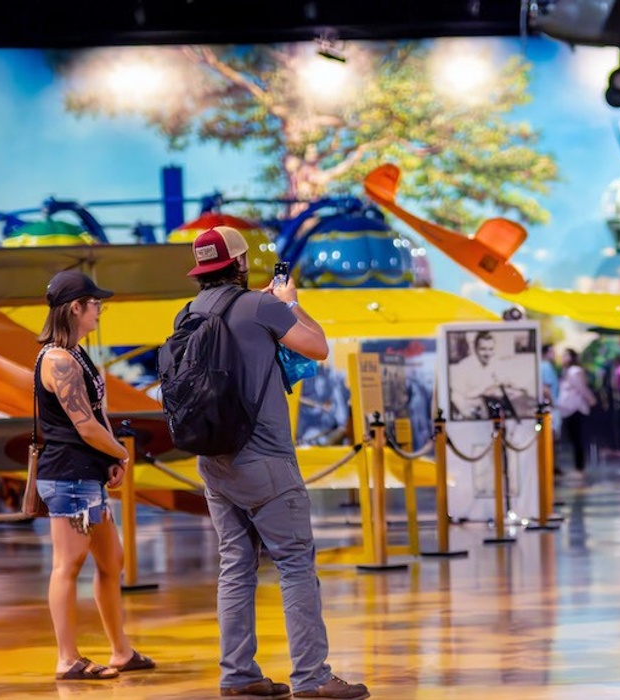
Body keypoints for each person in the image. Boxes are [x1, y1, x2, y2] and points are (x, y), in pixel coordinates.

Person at [182, 226, 370, 699]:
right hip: (265, 458)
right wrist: (290, 303)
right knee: (295, 565)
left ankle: (239, 674)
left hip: (215, 460)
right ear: (241, 264)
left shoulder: (188, 312)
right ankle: (312, 677)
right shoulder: (262, 306)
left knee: (236, 565)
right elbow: (317, 346)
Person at [34, 270, 156, 681]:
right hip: (69, 478)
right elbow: (84, 425)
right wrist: (122, 452)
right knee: (67, 566)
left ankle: (120, 650)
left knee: (111, 559)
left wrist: (111, 459)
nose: (100, 308)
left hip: (87, 475)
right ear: (75, 308)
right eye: (95, 303)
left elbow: (97, 415)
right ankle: (67, 659)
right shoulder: (58, 360)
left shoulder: (79, 355)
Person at [449, 330, 531, 419]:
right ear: (475, 349)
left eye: (491, 349)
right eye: (483, 349)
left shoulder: (495, 363)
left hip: (495, 412)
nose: (488, 354)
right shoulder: (463, 367)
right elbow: (456, 397)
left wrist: (513, 385)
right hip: (473, 416)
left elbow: (508, 381)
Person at [556, 348, 597, 472]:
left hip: (575, 408)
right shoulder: (566, 371)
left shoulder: (574, 371)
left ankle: (580, 466)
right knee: (574, 438)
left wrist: (591, 400)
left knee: (577, 438)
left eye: (566, 355)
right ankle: (578, 466)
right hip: (568, 408)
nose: (563, 358)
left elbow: (581, 387)